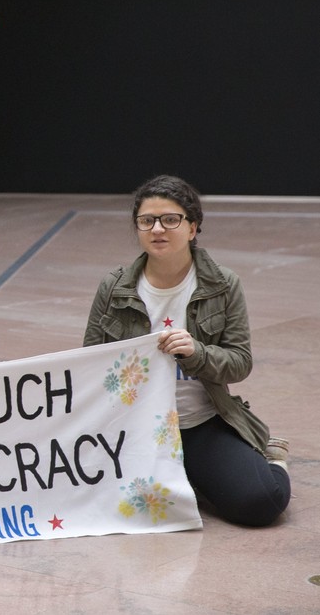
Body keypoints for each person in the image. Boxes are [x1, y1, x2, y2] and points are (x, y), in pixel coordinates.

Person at [83, 174, 290, 527]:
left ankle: (269, 454)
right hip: (133, 427)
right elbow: (89, 362)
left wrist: (197, 352)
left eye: (171, 219)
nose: (158, 229)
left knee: (261, 502)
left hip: (199, 423)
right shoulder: (114, 286)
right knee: (85, 496)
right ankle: (186, 475)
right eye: (146, 221)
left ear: (193, 228)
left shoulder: (223, 285)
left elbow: (240, 363)